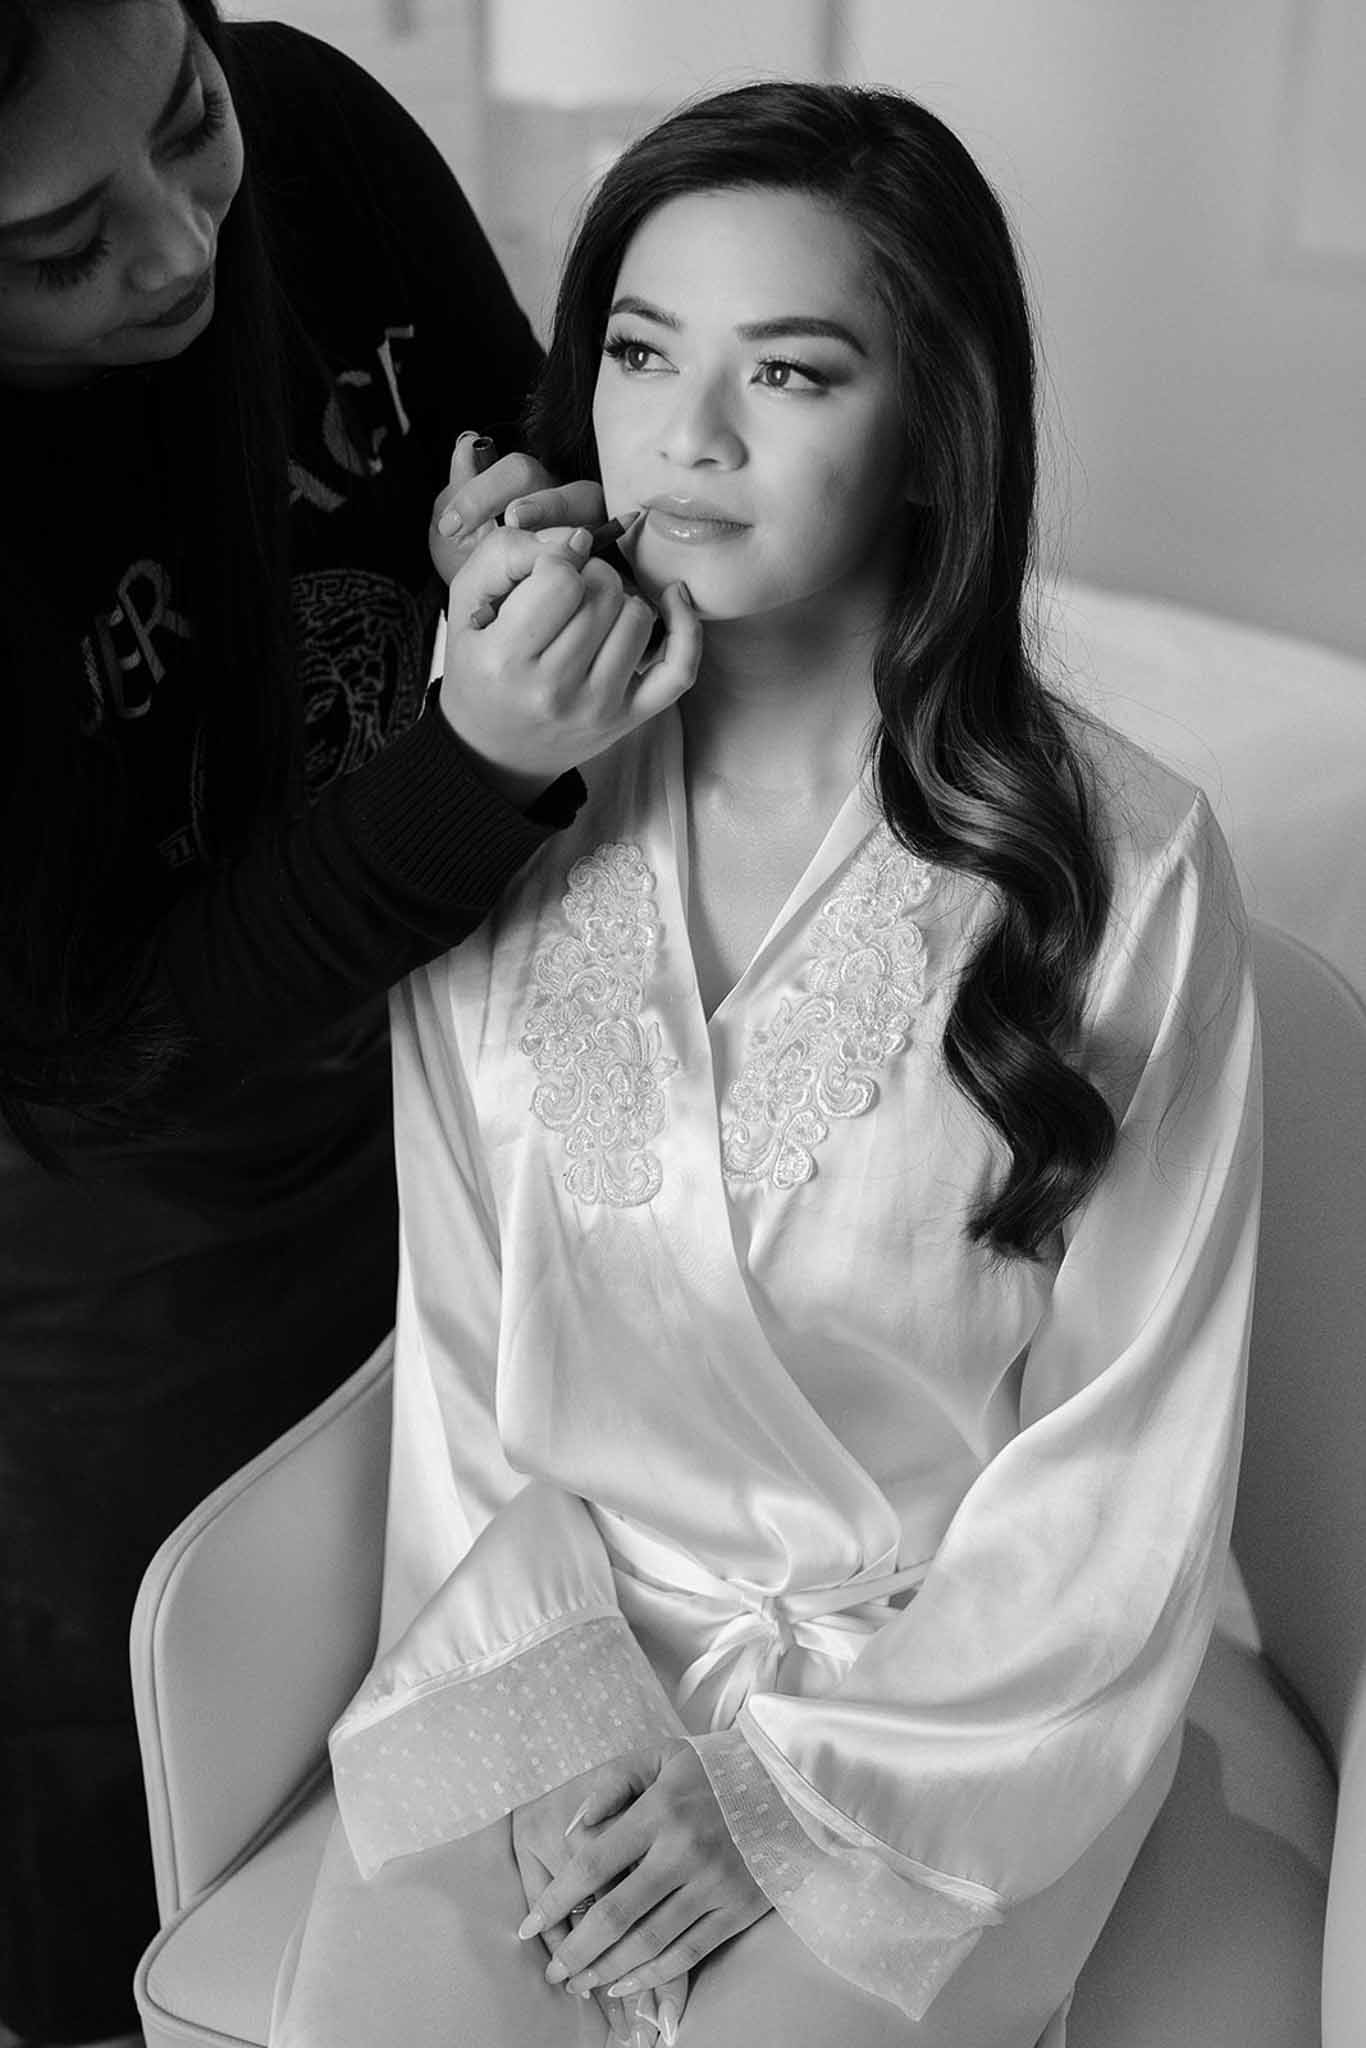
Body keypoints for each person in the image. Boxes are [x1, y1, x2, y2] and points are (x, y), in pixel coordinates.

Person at [271, 80, 1261, 2048]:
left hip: (954, 1723)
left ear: (931, 429)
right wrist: (556, 1728)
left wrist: (785, 1803)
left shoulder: (1125, 875)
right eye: (641, 355)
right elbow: (458, 1360)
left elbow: (1123, 1473)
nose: (688, 436)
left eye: (790, 373)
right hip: (542, 1650)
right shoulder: (498, 801)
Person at [0, 3, 697, 2041]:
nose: (176, 248)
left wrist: (511, 533)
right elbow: (104, 1044)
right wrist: (466, 767)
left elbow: (536, 434)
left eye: (187, 118)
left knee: (475, 1768)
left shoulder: (312, 133)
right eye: (54, 247)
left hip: (459, 1103)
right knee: (157, 1855)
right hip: (140, 1258)